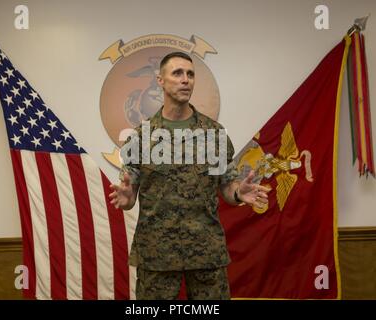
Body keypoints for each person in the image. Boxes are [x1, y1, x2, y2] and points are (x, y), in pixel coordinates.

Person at [109, 52, 269, 300]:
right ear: (160, 80)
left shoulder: (213, 133)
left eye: (190, 74)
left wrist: (238, 192)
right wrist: (126, 196)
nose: (186, 80)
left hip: (205, 251)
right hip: (157, 253)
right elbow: (129, 196)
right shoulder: (140, 137)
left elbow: (227, 186)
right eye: (177, 73)